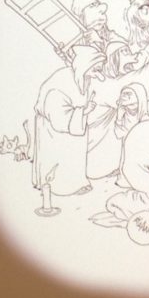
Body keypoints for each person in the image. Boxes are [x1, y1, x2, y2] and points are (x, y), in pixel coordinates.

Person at [31, 45, 106, 196]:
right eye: (96, 69)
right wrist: (84, 111)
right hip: (54, 129)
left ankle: (77, 181)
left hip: (75, 125)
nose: (98, 74)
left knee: (74, 155)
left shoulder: (83, 79)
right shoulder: (60, 84)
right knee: (58, 156)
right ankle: (57, 186)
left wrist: (83, 111)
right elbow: (58, 116)